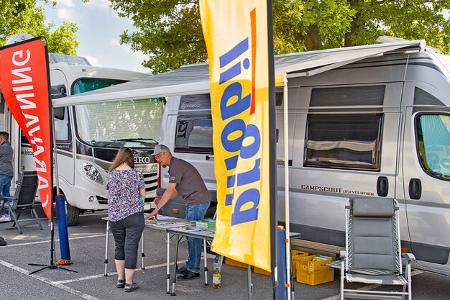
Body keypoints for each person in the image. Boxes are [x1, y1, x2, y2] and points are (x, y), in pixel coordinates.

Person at [146, 144, 211, 280]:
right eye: (156, 157)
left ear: (166, 153)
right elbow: (175, 191)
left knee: (193, 236)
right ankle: (190, 265)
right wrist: (162, 200)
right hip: (195, 201)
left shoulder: (176, 166)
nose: (158, 160)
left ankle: (193, 269)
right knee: (190, 235)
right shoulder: (175, 167)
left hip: (197, 202)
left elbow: (170, 191)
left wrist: (155, 210)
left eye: (158, 156)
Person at [107, 147, 146, 292]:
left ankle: (120, 279)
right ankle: (129, 283)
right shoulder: (137, 174)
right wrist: (138, 203)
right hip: (134, 217)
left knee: (119, 246)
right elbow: (143, 195)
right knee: (131, 248)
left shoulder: (111, 174)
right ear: (131, 158)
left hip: (115, 217)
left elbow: (111, 193)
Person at [0, 131, 13, 223]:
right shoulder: (9, 147)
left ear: (2, 138)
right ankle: (7, 214)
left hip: (3, 173)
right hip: (8, 173)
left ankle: (6, 214)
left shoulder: (3, 148)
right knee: (6, 195)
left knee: (5, 194)